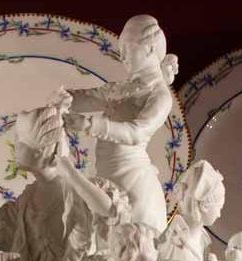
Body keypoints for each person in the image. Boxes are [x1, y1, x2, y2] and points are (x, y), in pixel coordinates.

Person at [56, 14, 180, 236]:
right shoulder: (125, 87)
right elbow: (89, 98)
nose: (122, 56)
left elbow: (137, 133)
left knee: (129, 242)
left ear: (150, 48)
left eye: (127, 48)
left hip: (132, 181)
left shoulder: (160, 95)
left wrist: (89, 125)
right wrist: (65, 98)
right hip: (107, 175)